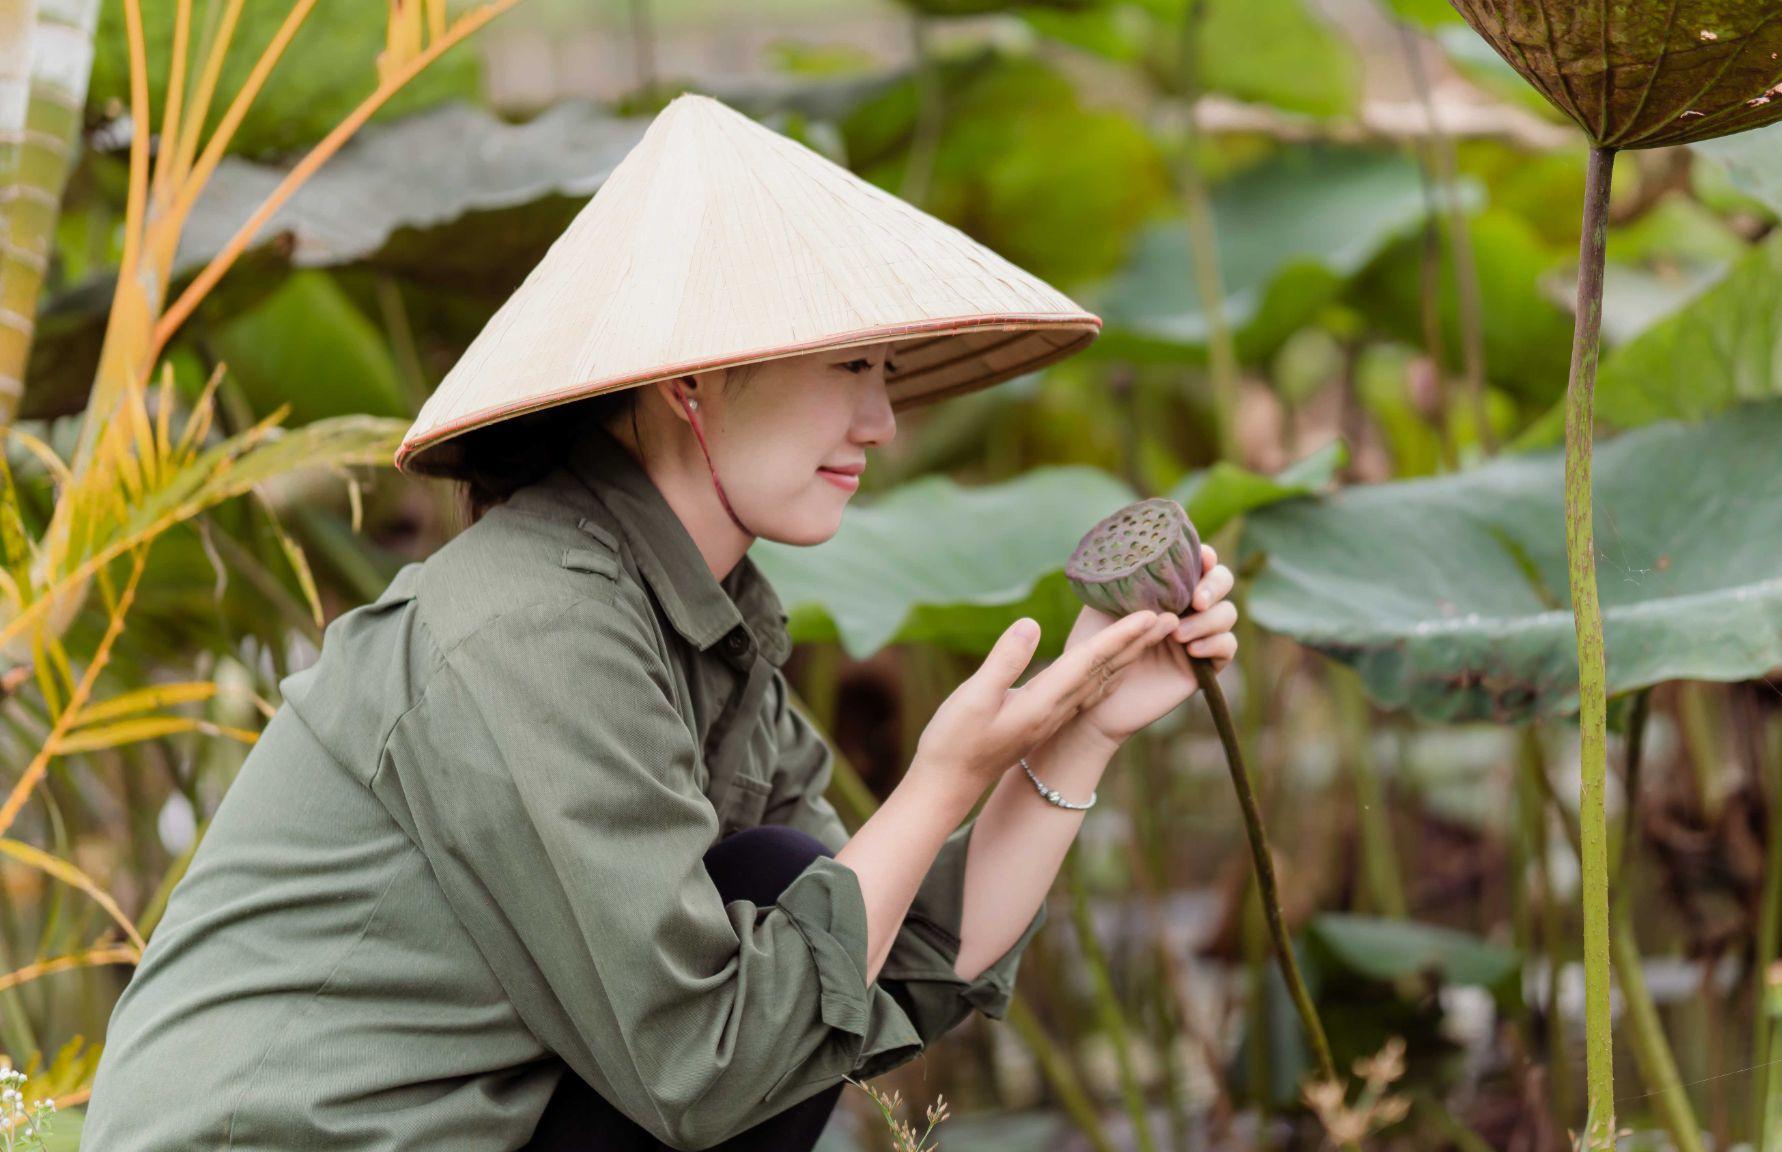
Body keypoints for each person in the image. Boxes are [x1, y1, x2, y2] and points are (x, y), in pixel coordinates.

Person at [80, 93, 1239, 1151]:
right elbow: (712, 1067)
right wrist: (939, 777)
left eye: (885, 369)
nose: (881, 419)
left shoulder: (698, 620)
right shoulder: (531, 621)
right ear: (690, 381)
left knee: (792, 891)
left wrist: (1080, 728)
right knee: (782, 914)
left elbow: (878, 961)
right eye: (847, 363)